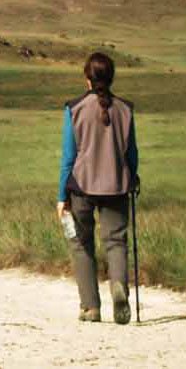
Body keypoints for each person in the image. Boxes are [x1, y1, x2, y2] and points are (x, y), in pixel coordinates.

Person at [57, 52, 139, 324]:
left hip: (81, 186)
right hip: (117, 185)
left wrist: (61, 196)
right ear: (111, 77)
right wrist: (132, 177)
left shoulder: (74, 108)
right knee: (116, 242)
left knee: (81, 244)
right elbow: (132, 154)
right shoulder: (126, 109)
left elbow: (68, 157)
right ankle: (119, 286)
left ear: (87, 79)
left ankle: (90, 307)